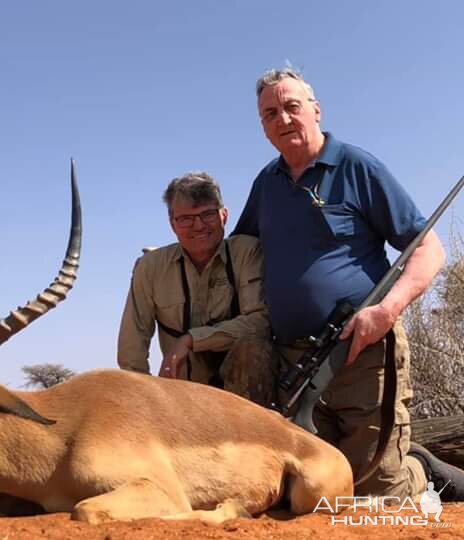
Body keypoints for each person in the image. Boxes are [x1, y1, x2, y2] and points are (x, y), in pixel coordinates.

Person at [233, 66, 464, 500]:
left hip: (364, 352)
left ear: (316, 110)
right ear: (262, 127)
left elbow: (429, 249)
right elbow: (235, 252)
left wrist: (386, 310)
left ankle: (422, 468)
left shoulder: (358, 166)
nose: (282, 119)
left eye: (292, 107)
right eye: (269, 114)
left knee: (379, 494)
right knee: (315, 490)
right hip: (294, 364)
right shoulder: (266, 184)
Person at [117, 172, 274, 406]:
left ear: (224, 215)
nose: (199, 225)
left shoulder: (247, 252)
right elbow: (132, 347)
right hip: (182, 396)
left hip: (242, 397)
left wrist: (191, 340)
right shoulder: (150, 267)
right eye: (186, 219)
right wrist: (145, 400)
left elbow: (260, 322)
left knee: (252, 348)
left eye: (208, 214)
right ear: (172, 224)